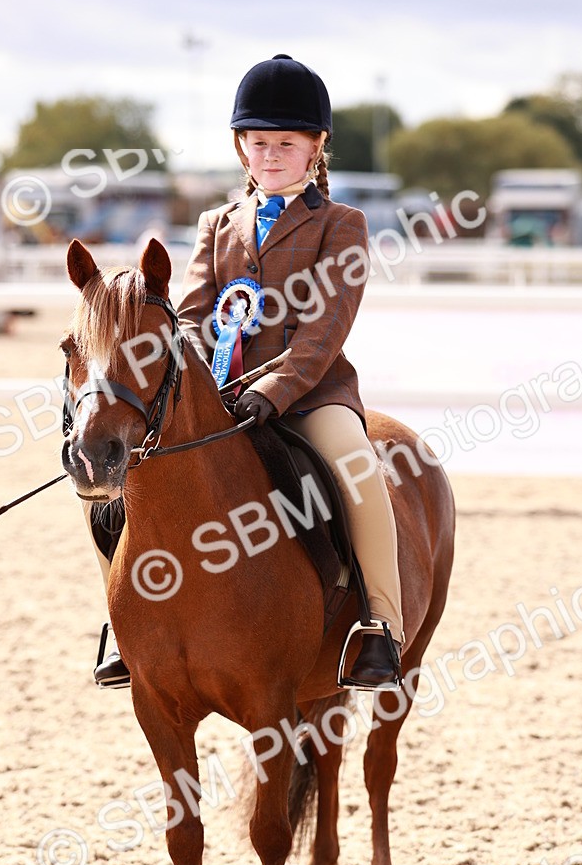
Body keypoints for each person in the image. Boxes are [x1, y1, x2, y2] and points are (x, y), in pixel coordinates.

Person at [94, 53, 404, 689]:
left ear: (316, 147)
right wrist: (192, 378)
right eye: (258, 143)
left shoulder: (342, 224)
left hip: (312, 392)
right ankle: (124, 626)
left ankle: (380, 626)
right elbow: (189, 316)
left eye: (285, 144)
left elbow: (326, 328)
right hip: (214, 393)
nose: (269, 156)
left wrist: (274, 389)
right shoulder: (216, 224)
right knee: (117, 484)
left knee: (354, 463)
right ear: (241, 147)